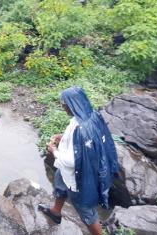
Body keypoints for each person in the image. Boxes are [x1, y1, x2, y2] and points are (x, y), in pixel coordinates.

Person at [38, 86, 118, 235]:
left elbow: (71, 162)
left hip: (79, 176)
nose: (63, 107)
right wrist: (64, 138)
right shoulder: (92, 115)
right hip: (85, 167)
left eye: (64, 104)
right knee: (60, 180)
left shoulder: (79, 128)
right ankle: (56, 212)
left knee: (86, 210)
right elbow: (89, 142)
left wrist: (54, 151)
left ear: (73, 104)